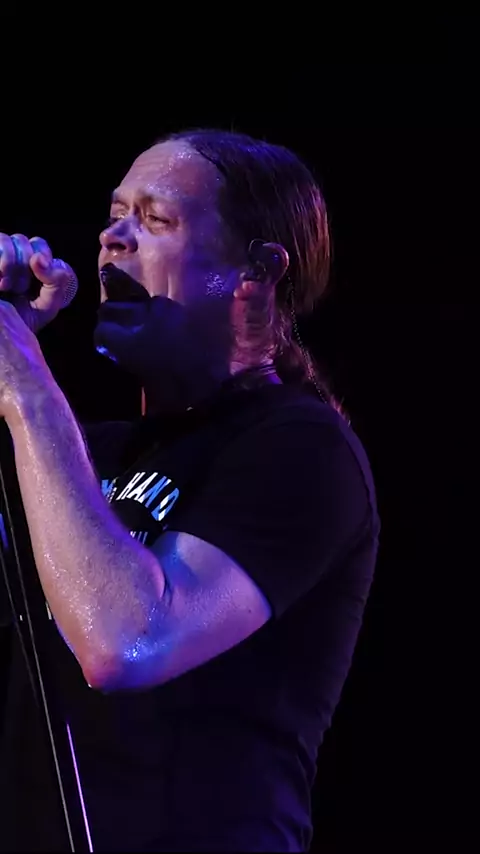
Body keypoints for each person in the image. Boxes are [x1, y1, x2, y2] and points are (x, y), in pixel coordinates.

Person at [0, 129, 380, 852]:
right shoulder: (86, 455)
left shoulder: (301, 451)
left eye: (156, 219)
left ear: (255, 272)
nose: (112, 238)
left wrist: (27, 388)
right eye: (115, 214)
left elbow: (128, 640)